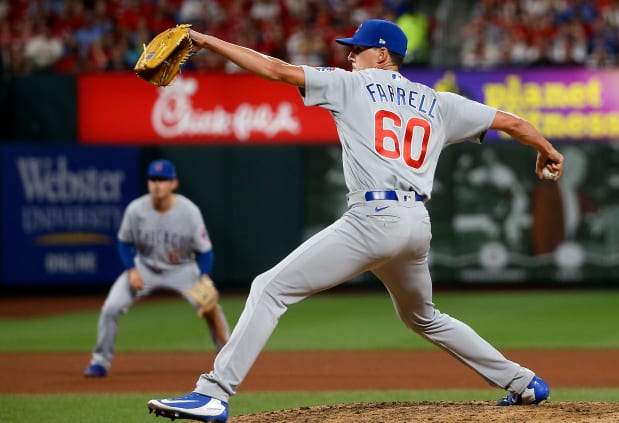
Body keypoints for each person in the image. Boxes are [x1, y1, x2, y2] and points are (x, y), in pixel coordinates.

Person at [147, 19, 563, 422]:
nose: (349, 57)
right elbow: (513, 122)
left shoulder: (351, 84)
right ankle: (523, 381)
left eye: (356, 50)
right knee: (423, 317)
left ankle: (212, 395)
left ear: (382, 54)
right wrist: (546, 150)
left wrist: (206, 41)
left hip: (374, 218)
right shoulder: (438, 101)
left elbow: (274, 69)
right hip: (417, 224)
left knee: (268, 288)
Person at [83, 159, 230, 377]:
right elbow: (124, 242)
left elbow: (205, 250)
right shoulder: (136, 209)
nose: (157, 184)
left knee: (211, 307)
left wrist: (204, 277)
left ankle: (229, 362)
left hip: (182, 269)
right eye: (153, 179)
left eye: (163, 179)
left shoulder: (189, 212)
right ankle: (100, 361)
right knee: (110, 308)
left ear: (174, 184)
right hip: (145, 267)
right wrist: (131, 269)